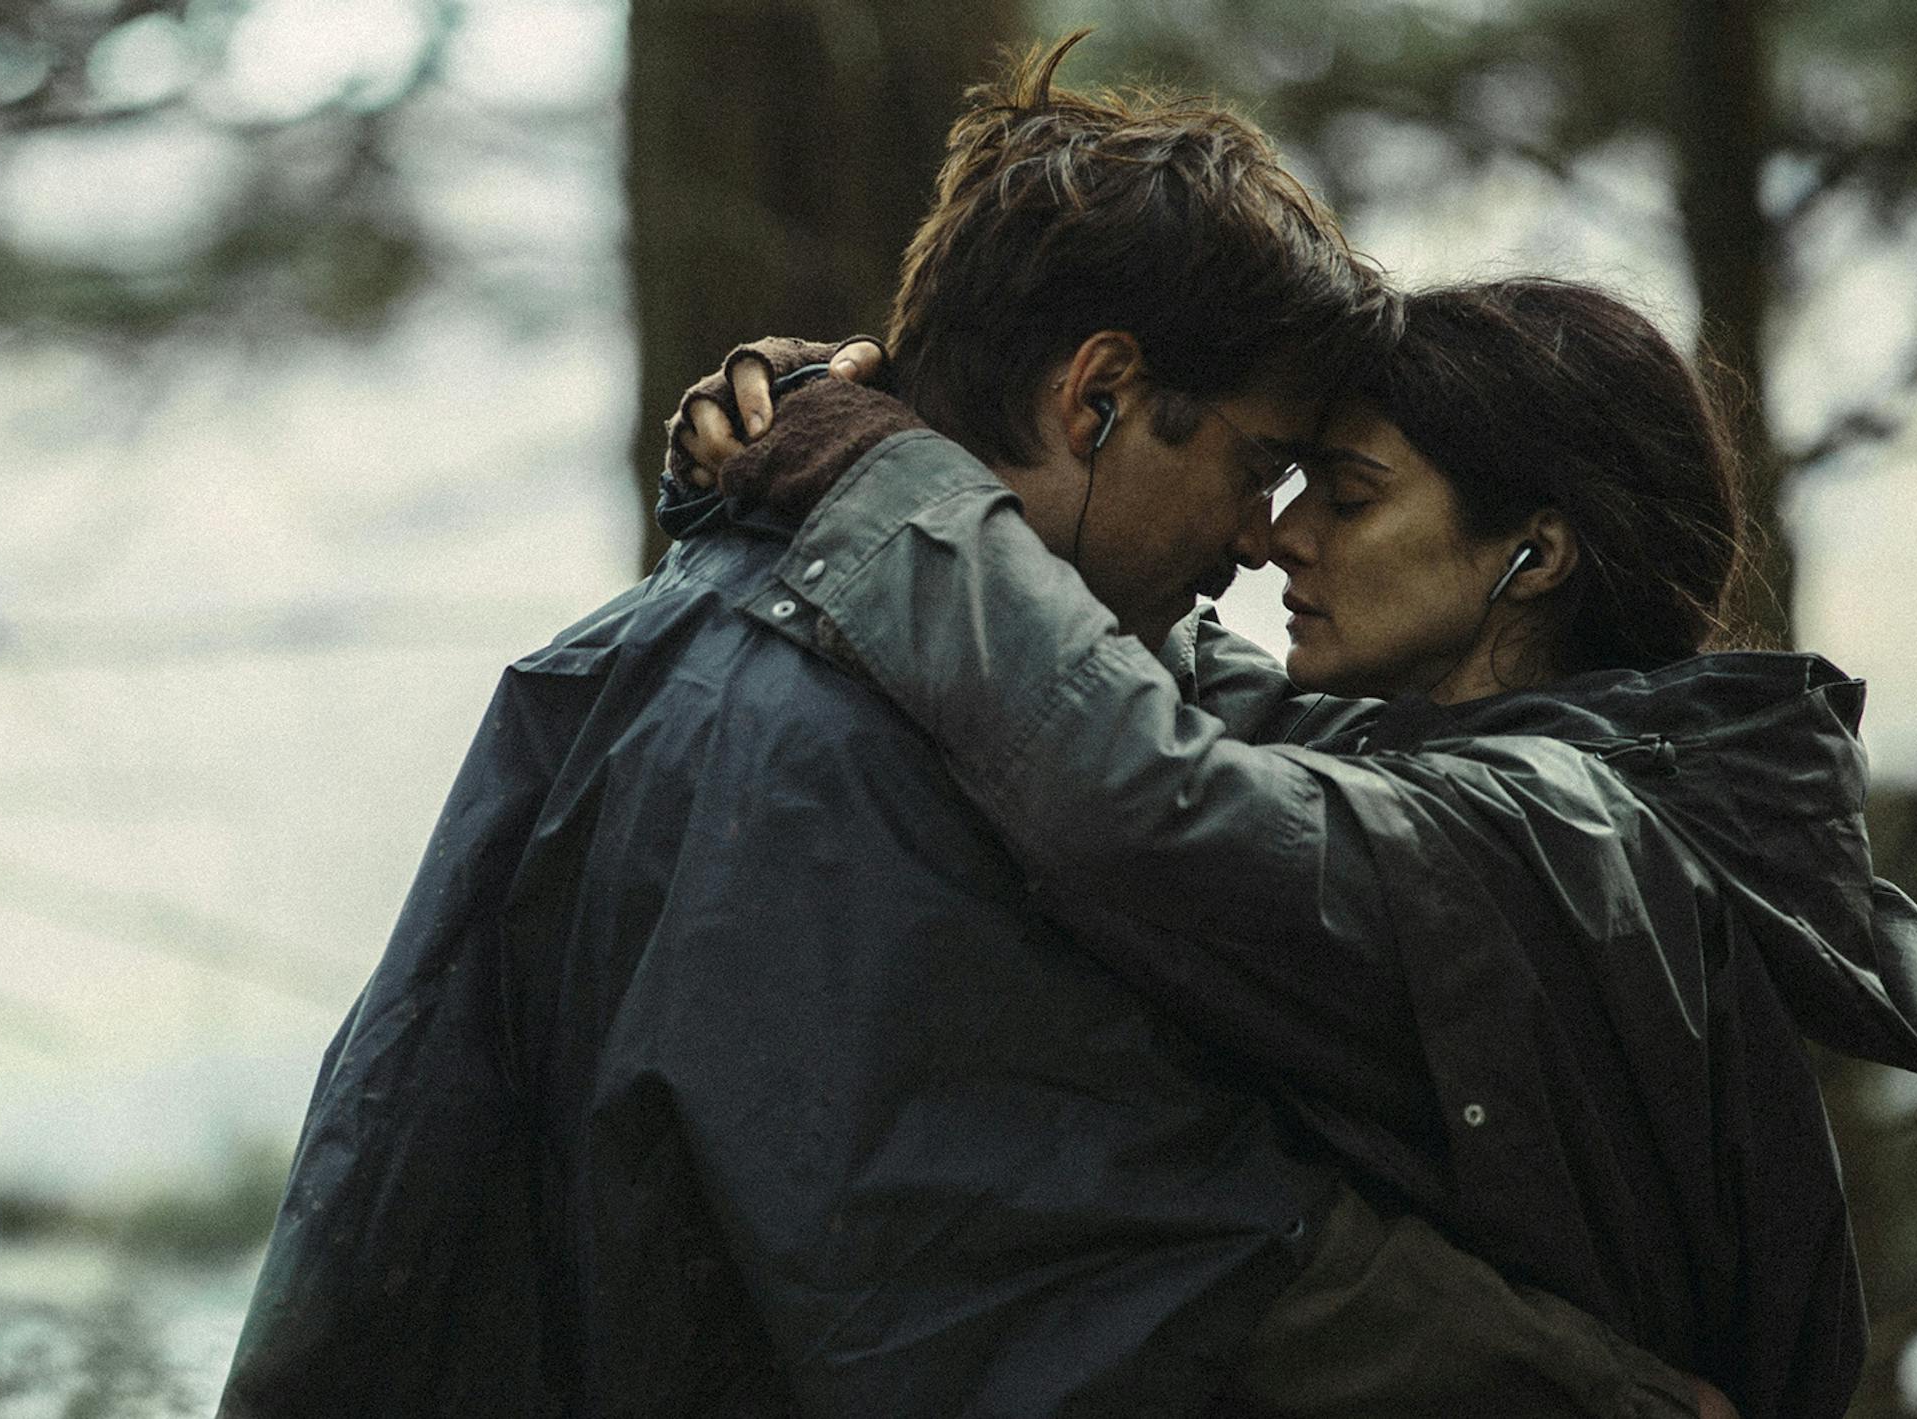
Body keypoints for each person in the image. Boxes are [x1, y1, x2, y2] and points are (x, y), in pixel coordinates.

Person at [219, 40, 1723, 1419]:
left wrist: (858, 474)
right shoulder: (843, 746)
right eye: (1262, 467)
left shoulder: (685, 646)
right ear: (1102, 394)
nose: (1263, 540)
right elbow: (1115, 1267)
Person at [672, 276, 1917, 1417]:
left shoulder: (1557, 829)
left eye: (1349, 493)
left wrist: (885, 485)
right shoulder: (1447, 764)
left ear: (1534, 557)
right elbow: (1139, 673)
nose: (1281, 537)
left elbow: (1138, 791)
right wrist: (860, 429)